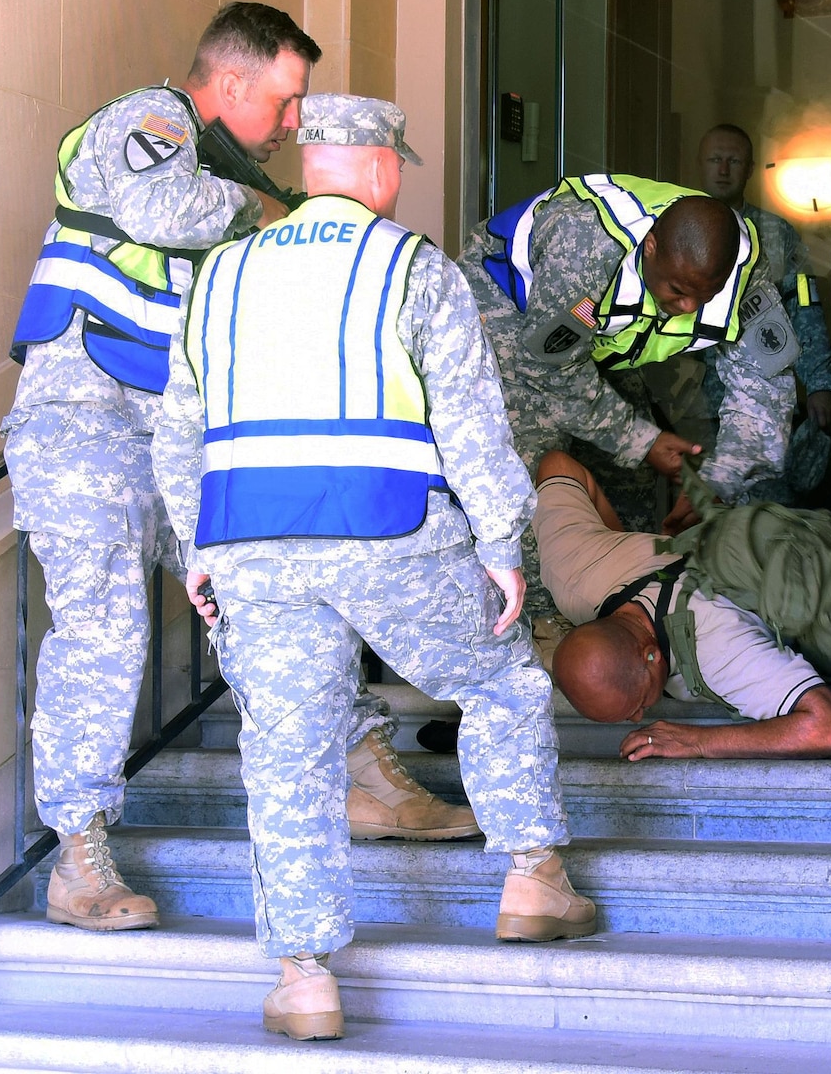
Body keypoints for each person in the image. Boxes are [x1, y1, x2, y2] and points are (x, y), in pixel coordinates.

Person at [0, 3, 473, 938]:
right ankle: (79, 855)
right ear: (234, 82)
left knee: (278, 590)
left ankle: (361, 774)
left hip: (189, 432)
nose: (295, 122)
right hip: (83, 423)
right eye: (288, 98)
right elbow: (160, 209)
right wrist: (279, 214)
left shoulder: (234, 166)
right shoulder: (153, 120)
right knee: (103, 633)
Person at [153, 93, 596, 1042]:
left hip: (251, 545)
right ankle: (532, 879)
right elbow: (474, 426)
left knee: (285, 752)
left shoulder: (219, 273)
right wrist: (501, 547)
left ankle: (304, 978)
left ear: (310, 165)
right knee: (502, 682)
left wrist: (197, 547)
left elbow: (178, 429)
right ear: (384, 167)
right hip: (389, 532)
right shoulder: (413, 267)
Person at [457, 173, 794, 626]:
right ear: (650, 247)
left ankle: (626, 606)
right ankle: (535, 622)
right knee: (531, 471)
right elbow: (549, 372)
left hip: (598, 340)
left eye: (705, 296)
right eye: (678, 291)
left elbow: (766, 394)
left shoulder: (745, 274)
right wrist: (642, 440)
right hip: (507, 316)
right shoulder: (585, 241)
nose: (691, 308)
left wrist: (716, 483)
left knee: (630, 484)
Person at [532, 447, 831, 760]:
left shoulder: (719, 652)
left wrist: (698, 741)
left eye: (635, 706)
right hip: (807, 565)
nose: (637, 719)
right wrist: (627, 541)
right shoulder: (575, 573)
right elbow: (557, 465)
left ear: (653, 655)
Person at [695, 123, 831, 504]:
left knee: (760, 505)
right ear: (700, 164)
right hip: (690, 402)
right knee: (700, 507)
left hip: (764, 399)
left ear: (750, 168)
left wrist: (820, 382)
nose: (723, 169)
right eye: (715, 159)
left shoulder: (775, 233)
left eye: (734, 160)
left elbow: (803, 307)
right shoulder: (675, 225)